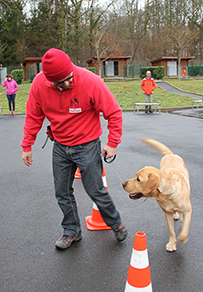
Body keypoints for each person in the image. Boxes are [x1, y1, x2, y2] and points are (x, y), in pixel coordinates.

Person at [21, 48, 127, 250]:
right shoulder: (39, 84)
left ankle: (116, 224)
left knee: (95, 190)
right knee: (62, 192)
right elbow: (33, 116)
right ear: (50, 80)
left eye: (69, 78)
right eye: (61, 83)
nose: (68, 83)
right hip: (60, 146)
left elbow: (113, 112)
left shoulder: (90, 81)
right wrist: (27, 145)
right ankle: (71, 231)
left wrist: (113, 143)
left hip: (87, 145)